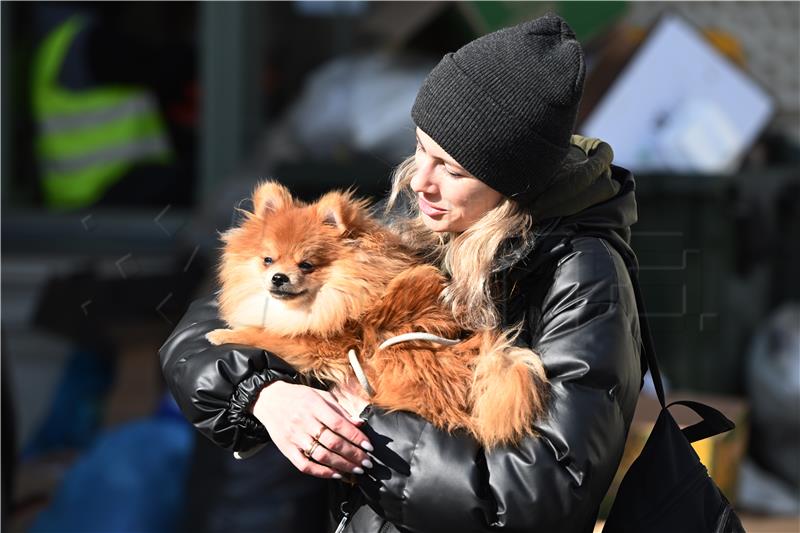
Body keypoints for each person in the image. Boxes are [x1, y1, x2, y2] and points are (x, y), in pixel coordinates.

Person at [160, 13, 645, 533]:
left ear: (512, 181)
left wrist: (363, 425)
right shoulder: (424, 232)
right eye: (419, 149)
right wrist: (263, 393)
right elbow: (198, 337)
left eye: (452, 169)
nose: (420, 181)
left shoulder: (583, 277)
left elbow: (541, 493)